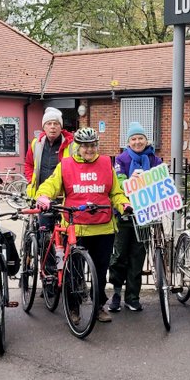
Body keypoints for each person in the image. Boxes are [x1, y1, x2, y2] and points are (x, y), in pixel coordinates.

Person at [35, 127, 131, 325]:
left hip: (103, 227)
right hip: (75, 226)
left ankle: (98, 307)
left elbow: (116, 192)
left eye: (93, 145)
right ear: (77, 147)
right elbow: (51, 185)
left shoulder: (106, 164)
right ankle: (73, 307)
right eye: (85, 146)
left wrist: (124, 205)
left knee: (100, 271)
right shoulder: (66, 165)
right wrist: (43, 196)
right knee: (73, 271)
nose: (89, 149)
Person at [108, 122, 162, 312]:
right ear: (128, 142)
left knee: (137, 257)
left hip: (145, 215)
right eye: (133, 139)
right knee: (119, 256)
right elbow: (118, 180)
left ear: (146, 140)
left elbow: (162, 183)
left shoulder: (155, 160)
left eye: (140, 138)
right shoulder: (121, 160)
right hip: (124, 215)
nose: (137, 142)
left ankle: (132, 297)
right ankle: (115, 293)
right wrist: (129, 182)